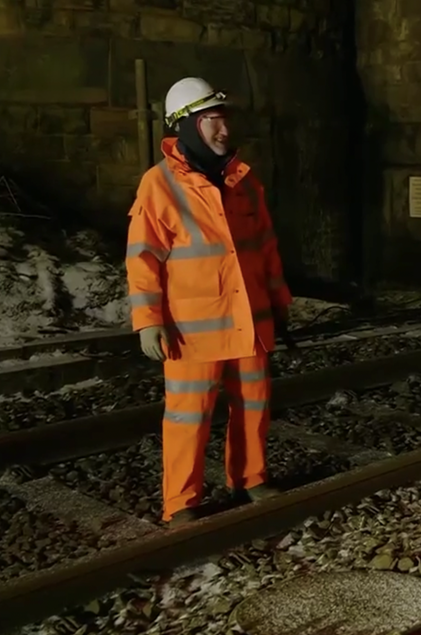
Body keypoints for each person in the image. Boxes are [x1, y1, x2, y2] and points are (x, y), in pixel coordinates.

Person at [124, 77, 292, 526]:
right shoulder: (158, 185)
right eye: (211, 121)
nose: (223, 131)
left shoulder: (244, 180)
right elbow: (142, 258)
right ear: (186, 126)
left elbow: (265, 246)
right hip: (192, 331)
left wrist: (279, 302)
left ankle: (251, 478)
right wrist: (148, 321)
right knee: (187, 416)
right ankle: (181, 503)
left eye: (224, 120)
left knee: (253, 404)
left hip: (249, 321)